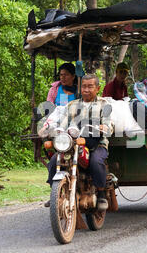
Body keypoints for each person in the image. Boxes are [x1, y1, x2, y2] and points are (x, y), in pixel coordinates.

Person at [44, 74, 114, 211]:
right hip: (72, 144)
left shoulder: (104, 105)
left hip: (96, 144)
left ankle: (101, 193)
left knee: (96, 162)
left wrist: (102, 128)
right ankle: (55, 193)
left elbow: (108, 126)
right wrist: (53, 130)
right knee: (54, 161)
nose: (86, 90)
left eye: (90, 86)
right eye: (84, 86)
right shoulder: (71, 105)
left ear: (98, 88)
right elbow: (62, 124)